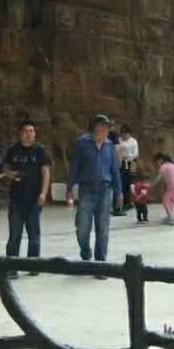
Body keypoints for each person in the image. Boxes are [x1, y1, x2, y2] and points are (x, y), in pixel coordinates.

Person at [66, 115, 123, 273]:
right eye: (106, 126)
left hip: (105, 190)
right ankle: (85, 254)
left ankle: (100, 265)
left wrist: (119, 193)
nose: (108, 130)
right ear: (97, 126)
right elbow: (74, 167)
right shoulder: (82, 143)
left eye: (109, 127)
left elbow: (114, 170)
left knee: (102, 230)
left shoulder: (109, 144)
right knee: (82, 228)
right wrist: (69, 190)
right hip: (86, 190)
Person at [1, 120, 51, 280]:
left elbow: (45, 173)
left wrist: (43, 193)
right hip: (16, 199)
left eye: (32, 131)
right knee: (15, 234)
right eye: (26, 131)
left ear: (35, 134)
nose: (29, 134)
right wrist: (10, 174)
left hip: (34, 199)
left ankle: (33, 265)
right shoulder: (13, 150)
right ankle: (12, 267)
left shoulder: (41, 151)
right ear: (20, 133)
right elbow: (5, 168)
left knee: (34, 234)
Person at [118, 124, 140, 210]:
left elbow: (136, 153)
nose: (124, 135)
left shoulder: (133, 141)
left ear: (129, 133)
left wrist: (128, 157)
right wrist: (122, 157)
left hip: (131, 163)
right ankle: (122, 201)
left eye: (126, 133)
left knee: (129, 182)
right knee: (121, 181)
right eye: (122, 133)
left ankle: (128, 201)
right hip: (121, 162)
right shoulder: (119, 140)